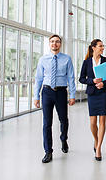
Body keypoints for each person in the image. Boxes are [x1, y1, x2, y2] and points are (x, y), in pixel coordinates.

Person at [34, 34, 76, 163]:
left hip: (61, 92)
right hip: (46, 92)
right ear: (49, 44)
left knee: (63, 119)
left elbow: (71, 78)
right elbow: (38, 79)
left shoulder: (67, 59)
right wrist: (36, 96)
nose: (54, 44)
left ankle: (63, 139)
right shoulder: (43, 59)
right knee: (47, 123)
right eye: (52, 42)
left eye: (57, 42)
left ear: (60, 44)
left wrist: (72, 95)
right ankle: (48, 151)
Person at [79, 39, 106, 161]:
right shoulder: (86, 62)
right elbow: (81, 79)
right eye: (100, 46)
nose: (102, 48)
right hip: (92, 93)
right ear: (93, 47)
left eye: (103, 46)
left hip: (104, 93)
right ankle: (96, 140)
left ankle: (99, 148)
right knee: (92, 122)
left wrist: (104, 84)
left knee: (102, 121)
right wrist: (93, 81)